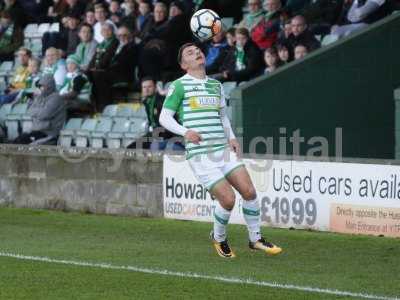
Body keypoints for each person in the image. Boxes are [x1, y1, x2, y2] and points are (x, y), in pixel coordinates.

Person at [159, 43, 282, 258]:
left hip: (222, 150)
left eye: (197, 50)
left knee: (250, 192)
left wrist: (232, 138)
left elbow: (223, 116)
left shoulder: (216, 85)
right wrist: (185, 131)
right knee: (227, 200)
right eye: (190, 53)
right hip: (200, 154)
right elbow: (164, 117)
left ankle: (255, 239)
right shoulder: (179, 86)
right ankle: (219, 237)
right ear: (183, 65)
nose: (196, 53)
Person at [13, 74, 66, 145]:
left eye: (43, 86)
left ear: (49, 86)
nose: (41, 88)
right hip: (37, 130)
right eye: (40, 86)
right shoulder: (39, 97)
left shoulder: (56, 98)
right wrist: (40, 110)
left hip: (49, 132)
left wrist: (37, 110)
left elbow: (44, 115)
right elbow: (29, 111)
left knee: (22, 142)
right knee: (17, 140)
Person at [140, 77, 184, 151]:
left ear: (155, 87)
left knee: (155, 147)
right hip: (157, 134)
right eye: (144, 87)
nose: (146, 89)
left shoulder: (162, 100)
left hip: (170, 135)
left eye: (149, 87)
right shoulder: (146, 102)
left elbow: (169, 122)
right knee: (133, 147)